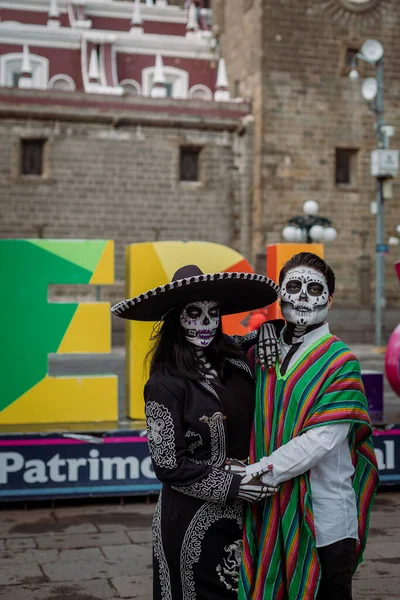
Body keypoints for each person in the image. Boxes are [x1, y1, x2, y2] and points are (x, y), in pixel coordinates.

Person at [111, 264, 280, 600]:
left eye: (213, 313)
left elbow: (268, 333)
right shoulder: (163, 384)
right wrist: (232, 485)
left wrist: (268, 332)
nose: (206, 322)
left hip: (247, 514)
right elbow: (168, 465)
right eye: (194, 313)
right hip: (190, 521)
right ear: (176, 317)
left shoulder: (232, 357)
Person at [238, 252, 379, 600]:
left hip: (325, 522)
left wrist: (253, 474)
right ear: (280, 296)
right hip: (266, 511)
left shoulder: (341, 361)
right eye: (294, 286)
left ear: (329, 299)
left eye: (314, 288)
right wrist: (260, 332)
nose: (302, 296)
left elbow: (320, 441)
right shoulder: (263, 353)